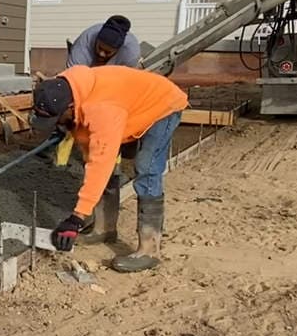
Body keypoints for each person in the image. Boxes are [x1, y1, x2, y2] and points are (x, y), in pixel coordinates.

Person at [30, 65, 188, 273]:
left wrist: (77, 217)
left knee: (146, 167)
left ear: (70, 106)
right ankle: (104, 229)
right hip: (126, 104)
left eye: (56, 119)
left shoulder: (101, 111)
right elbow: (90, 148)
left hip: (162, 105)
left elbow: (100, 163)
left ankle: (150, 250)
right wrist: (67, 127)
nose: (56, 124)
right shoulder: (65, 88)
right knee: (105, 165)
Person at [66, 15, 141, 68]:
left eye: (107, 52)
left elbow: (124, 81)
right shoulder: (86, 41)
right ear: (96, 39)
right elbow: (73, 75)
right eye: (100, 48)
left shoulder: (130, 54)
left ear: (117, 50)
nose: (101, 54)